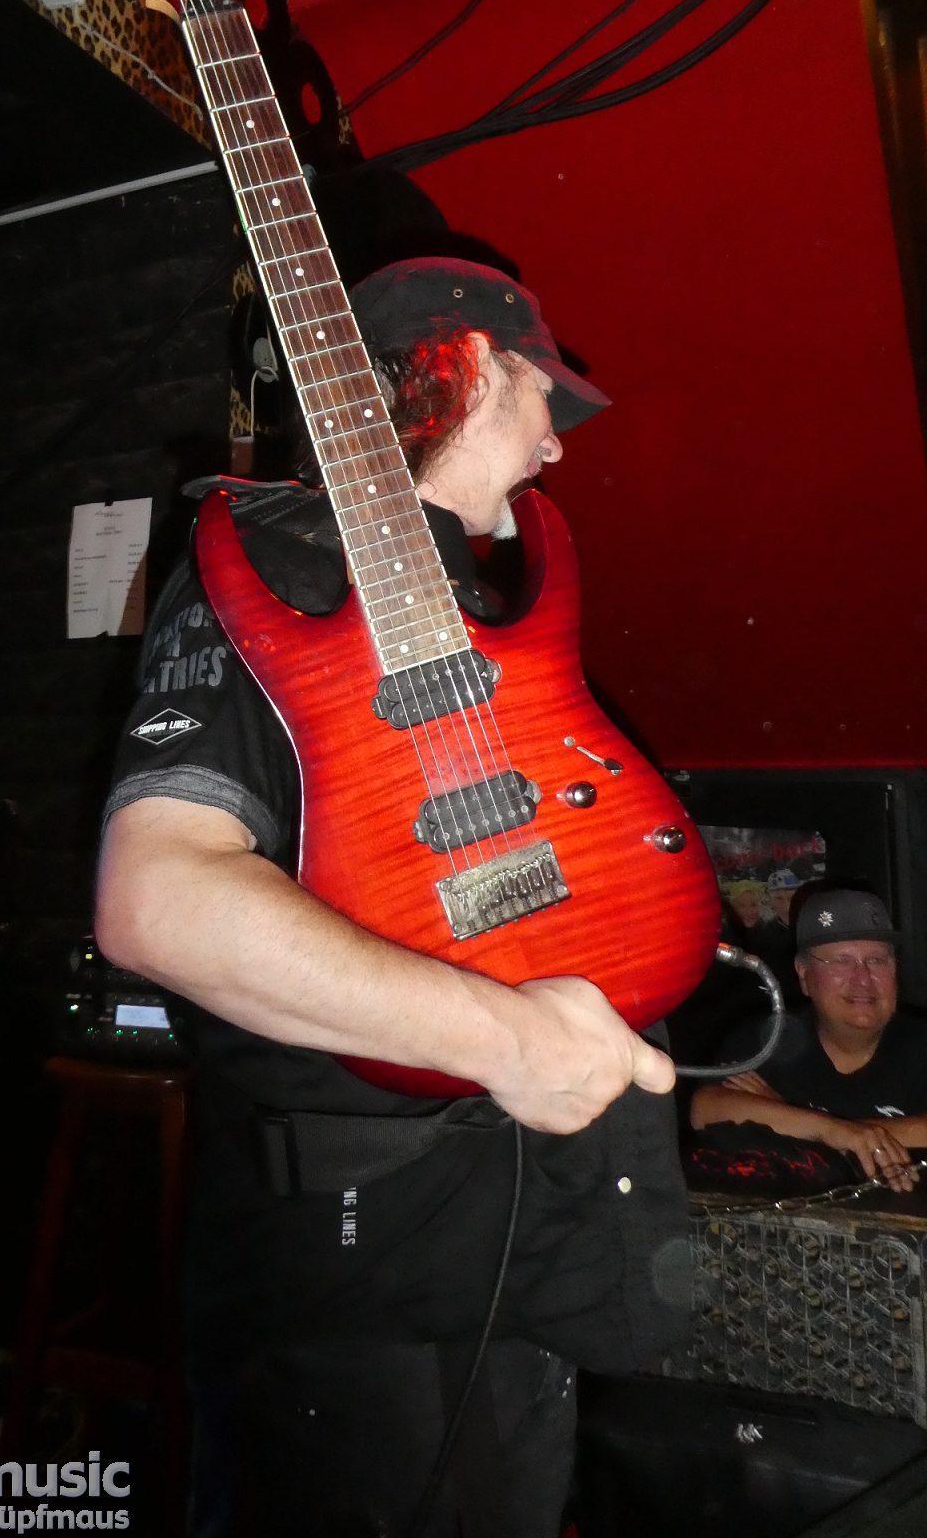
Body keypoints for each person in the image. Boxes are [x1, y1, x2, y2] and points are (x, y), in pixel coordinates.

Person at [96, 256, 694, 1538]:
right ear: (466, 364)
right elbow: (157, 898)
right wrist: (511, 1040)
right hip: (362, 1284)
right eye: (540, 394)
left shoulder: (485, 590)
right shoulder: (268, 567)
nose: (555, 444)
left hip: (528, 1227)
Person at [690, 886, 927, 1192]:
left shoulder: (919, 1043)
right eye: (841, 961)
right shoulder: (770, 1039)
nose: (863, 979)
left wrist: (793, 1121)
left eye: (878, 960)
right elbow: (706, 1109)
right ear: (804, 975)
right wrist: (832, 1131)